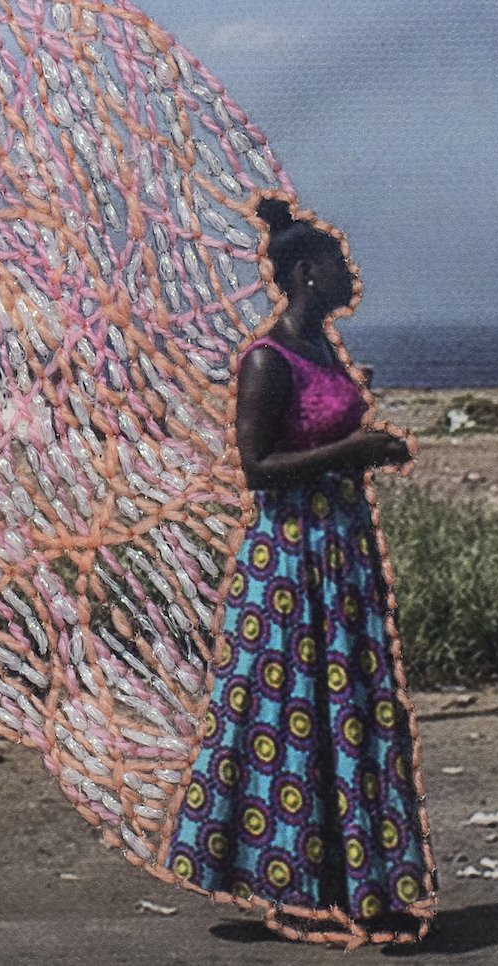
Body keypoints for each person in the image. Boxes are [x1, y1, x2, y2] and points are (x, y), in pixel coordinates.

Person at [166, 195, 436, 948]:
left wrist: (372, 447)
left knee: (349, 717)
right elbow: (257, 469)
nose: (353, 276)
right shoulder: (267, 360)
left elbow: (326, 430)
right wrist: (352, 453)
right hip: (288, 567)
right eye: (342, 264)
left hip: (339, 559)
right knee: (292, 723)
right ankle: (292, 891)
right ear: (308, 273)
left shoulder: (323, 352)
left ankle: (363, 890)